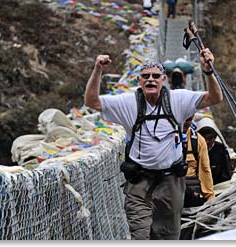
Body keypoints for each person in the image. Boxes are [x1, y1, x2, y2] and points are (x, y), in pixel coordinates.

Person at [84, 48, 223, 240]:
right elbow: (92, 102)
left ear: (163, 79)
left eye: (156, 76)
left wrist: (208, 71)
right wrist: (97, 69)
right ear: (139, 81)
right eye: (145, 76)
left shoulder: (178, 99)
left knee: (167, 236)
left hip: (171, 181)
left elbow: (215, 98)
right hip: (139, 181)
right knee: (140, 235)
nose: (151, 79)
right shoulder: (128, 103)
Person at [183, 116, 215, 205]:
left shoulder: (198, 141)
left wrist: (210, 198)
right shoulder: (163, 137)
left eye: (188, 120)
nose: (184, 123)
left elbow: (205, 170)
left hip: (188, 194)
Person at [195, 117, 233, 184]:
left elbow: (226, 175)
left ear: (214, 138)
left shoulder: (221, 149)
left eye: (210, 138)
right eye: (203, 139)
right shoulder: (194, 149)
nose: (207, 142)